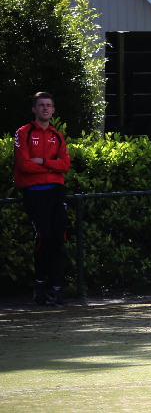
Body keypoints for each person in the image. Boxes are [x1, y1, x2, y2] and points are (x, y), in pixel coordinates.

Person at [14, 92, 71, 307]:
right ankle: (40, 285)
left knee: (58, 238)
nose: (45, 108)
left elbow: (65, 165)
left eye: (48, 105)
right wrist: (51, 167)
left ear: (53, 109)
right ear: (34, 109)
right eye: (41, 105)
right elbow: (24, 165)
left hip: (56, 191)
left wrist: (43, 162)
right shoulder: (24, 132)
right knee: (43, 238)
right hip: (35, 193)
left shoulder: (57, 136)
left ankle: (55, 288)